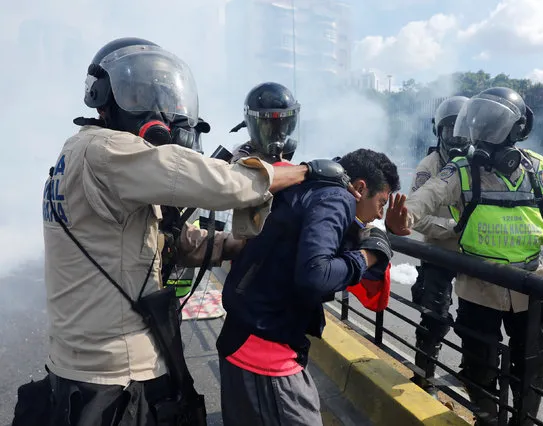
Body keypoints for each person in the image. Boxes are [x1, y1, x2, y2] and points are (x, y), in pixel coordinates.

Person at [15, 37, 355, 426]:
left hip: (85, 367)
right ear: (105, 98)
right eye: (140, 95)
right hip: (117, 375)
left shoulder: (81, 156)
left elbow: (168, 241)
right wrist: (307, 172)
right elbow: (227, 185)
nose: (159, 110)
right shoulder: (107, 151)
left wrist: (234, 246)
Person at [385, 87, 543, 426]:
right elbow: (427, 197)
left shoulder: (539, 170)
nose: (482, 136)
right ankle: (487, 419)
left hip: (530, 287)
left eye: (492, 126)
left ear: (517, 129)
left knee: (532, 369)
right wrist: (404, 217)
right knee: (478, 365)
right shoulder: (460, 169)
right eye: (479, 126)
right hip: (478, 287)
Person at [217, 148, 401, 426]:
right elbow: (317, 275)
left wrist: (373, 235)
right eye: (382, 202)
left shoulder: (311, 190)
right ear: (361, 188)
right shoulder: (336, 198)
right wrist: (369, 255)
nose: (379, 214)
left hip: (245, 337)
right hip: (265, 353)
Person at [408, 95, 470, 395]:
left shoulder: (479, 165)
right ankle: (424, 376)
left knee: (476, 324)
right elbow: (414, 217)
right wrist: (450, 229)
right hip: (438, 251)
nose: (457, 139)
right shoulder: (429, 165)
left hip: (473, 255)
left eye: (463, 132)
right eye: (450, 132)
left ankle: (472, 376)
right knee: (434, 319)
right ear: (439, 132)